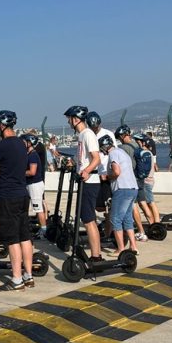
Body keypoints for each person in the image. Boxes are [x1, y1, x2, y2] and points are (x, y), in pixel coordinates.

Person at [0, 110, 34, 291]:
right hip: (23, 193)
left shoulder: (2, 145)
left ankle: (16, 279)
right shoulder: (22, 144)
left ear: (2, 125)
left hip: (9, 195)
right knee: (25, 236)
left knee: (12, 238)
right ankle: (28, 275)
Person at [65, 106, 102, 262]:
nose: (68, 122)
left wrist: (86, 171)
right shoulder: (82, 135)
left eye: (69, 119)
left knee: (88, 220)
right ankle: (96, 254)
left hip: (90, 182)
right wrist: (74, 164)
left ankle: (96, 256)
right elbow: (84, 158)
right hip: (85, 182)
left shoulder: (87, 134)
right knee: (87, 219)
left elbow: (96, 158)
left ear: (76, 119)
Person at [98, 135, 139, 257]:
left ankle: (120, 249)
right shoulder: (122, 152)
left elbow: (116, 172)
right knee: (127, 219)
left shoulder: (113, 154)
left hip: (122, 189)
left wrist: (106, 177)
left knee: (115, 219)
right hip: (133, 188)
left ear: (104, 147)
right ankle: (133, 247)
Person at [115, 125, 147, 242]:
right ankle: (153, 224)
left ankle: (141, 231)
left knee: (133, 206)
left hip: (130, 180)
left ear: (122, 136)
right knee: (143, 203)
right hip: (140, 177)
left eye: (119, 137)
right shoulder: (136, 145)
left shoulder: (122, 148)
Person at [86, 111, 115, 225]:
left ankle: (109, 226)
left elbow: (113, 152)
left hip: (105, 173)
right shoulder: (88, 135)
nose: (94, 129)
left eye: (96, 127)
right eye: (92, 127)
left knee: (108, 205)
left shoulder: (108, 134)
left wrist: (109, 172)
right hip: (95, 173)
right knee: (96, 205)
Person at [132, 134, 162, 237]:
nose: (137, 142)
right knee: (148, 203)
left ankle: (156, 224)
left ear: (143, 142)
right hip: (150, 180)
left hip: (146, 181)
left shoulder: (143, 153)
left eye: (138, 141)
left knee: (150, 203)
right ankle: (155, 223)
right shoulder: (149, 153)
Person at [21, 133, 47, 239]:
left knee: (38, 208)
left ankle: (43, 230)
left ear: (29, 143)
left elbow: (32, 172)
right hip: (30, 184)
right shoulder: (29, 154)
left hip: (34, 185)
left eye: (24, 142)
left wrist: (19, 172)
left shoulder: (32, 155)